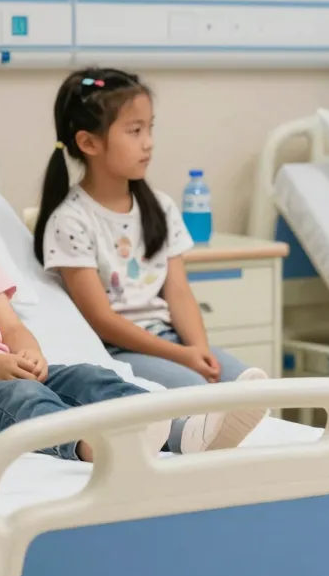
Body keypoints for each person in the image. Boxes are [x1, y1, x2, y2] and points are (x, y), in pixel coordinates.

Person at [0, 101, 265, 460]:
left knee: (89, 379)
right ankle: (97, 449)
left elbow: (9, 324)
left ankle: (182, 432)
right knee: (16, 401)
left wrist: (27, 352)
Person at [35, 68, 258, 392]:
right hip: (116, 349)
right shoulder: (71, 220)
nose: (148, 143)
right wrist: (182, 356)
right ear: (88, 142)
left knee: (248, 383)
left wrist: (199, 350)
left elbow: (179, 293)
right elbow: (101, 319)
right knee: (195, 390)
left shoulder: (161, 207)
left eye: (149, 128)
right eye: (135, 131)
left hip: (170, 339)